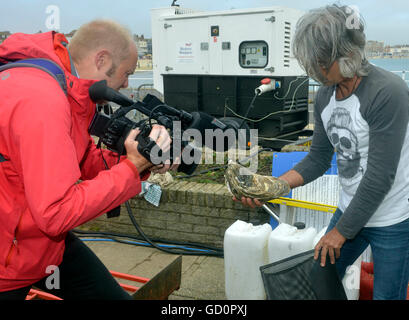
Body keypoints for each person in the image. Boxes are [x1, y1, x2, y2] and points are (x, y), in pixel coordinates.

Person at [234, 4, 409, 300]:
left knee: (387, 295)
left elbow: (380, 177)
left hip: (393, 217)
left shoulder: (388, 92)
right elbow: (317, 159)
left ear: (348, 54)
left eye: (321, 63)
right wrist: (273, 186)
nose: (313, 71)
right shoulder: (326, 95)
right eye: (310, 63)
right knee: (320, 277)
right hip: (350, 206)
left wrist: (340, 232)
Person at [0, 20, 174, 300]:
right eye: (126, 73)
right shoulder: (43, 100)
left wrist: (143, 162)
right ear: (102, 59)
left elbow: (81, 160)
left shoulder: (59, 84)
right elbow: (56, 213)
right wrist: (132, 168)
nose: (127, 83)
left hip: (39, 246)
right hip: (8, 263)